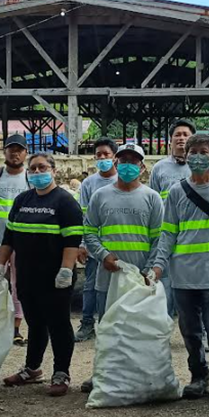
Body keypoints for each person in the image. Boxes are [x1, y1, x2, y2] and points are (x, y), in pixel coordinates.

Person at [149, 134, 209, 400]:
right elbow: (168, 233)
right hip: (183, 275)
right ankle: (198, 377)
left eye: (204, 151)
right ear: (185, 156)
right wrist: (158, 265)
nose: (198, 156)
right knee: (189, 331)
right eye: (193, 152)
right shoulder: (177, 191)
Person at [0, 153, 84, 396]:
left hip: (55, 277)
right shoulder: (22, 200)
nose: (37, 172)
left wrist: (66, 270)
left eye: (42, 167)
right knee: (34, 323)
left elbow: (72, 241)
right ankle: (33, 368)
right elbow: (9, 237)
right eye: (33, 168)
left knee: (58, 324)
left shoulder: (65, 202)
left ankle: (61, 372)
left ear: (54, 171)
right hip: (26, 275)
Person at [81, 143, 163, 392]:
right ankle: (104, 375)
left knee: (137, 329)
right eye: (124, 160)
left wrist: (149, 270)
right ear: (117, 164)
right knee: (107, 327)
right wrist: (103, 255)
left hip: (138, 280)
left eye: (133, 161)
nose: (128, 165)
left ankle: (135, 377)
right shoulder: (100, 196)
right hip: (108, 277)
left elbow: (159, 239)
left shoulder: (152, 198)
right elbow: (90, 231)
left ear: (142, 166)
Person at [148, 119, 197, 319]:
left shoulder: (203, 167)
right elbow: (153, 199)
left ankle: (198, 332)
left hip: (193, 233)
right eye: (177, 135)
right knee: (165, 281)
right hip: (166, 233)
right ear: (170, 141)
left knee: (193, 284)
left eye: (186, 134)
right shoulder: (159, 168)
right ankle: (164, 328)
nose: (181, 139)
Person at [0, 135, 30, 346]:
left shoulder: (31, 178)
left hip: (22, 243)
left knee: (19, 285)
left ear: (25, 153)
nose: (15, 153)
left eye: (19, 149)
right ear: (4, 152)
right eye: (11, 149)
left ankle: (15, 328)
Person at [73, 138, 118, 342]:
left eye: (106, 154)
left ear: (114, 157)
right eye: (98, 155)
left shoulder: (123, 181)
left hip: (119, 245)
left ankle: (115, 325)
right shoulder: (89, 184)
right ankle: (87, 323)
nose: (102, 158)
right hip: (94, 245)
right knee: (90, 286)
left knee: (118, 287)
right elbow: (83, 216)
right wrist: (82, 244)